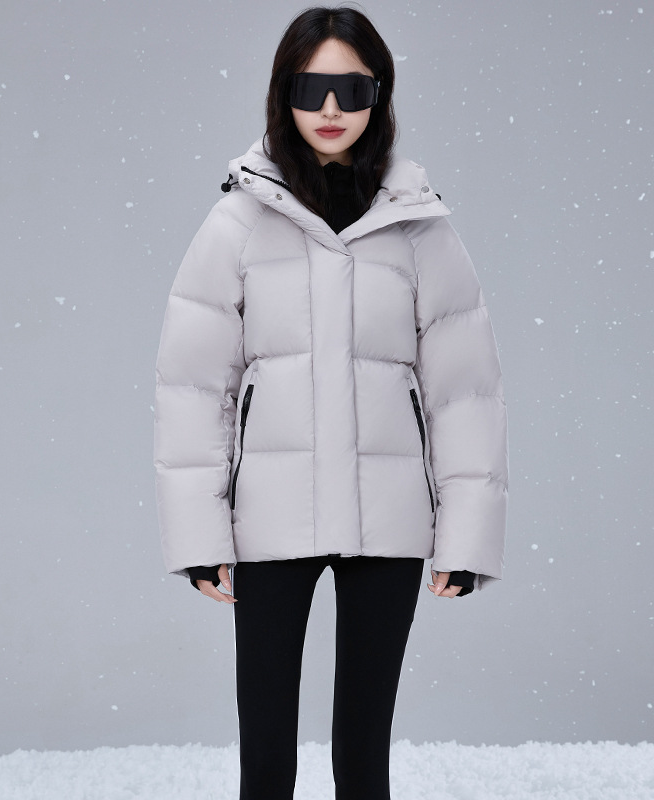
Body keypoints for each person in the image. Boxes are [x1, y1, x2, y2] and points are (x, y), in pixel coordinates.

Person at [153, 6, 508, 799]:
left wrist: (466, 536)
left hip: (390, 519)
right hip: (270, 518)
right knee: (266, 759)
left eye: (353, 89)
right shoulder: (238, 222)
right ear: (283, 93)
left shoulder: (419, 227)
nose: (331, 110)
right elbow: (193, 388)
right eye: (312, 88)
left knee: (364, 759)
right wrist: (200, 533)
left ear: (380, 94)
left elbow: (465, 393)